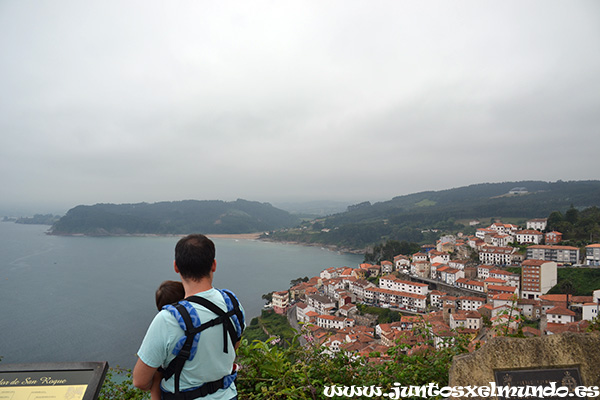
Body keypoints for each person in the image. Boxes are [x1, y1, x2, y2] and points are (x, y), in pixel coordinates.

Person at [134, 234, 245, 400]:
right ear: (214, 265)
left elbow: (140, 381)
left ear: (176, 267)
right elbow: (233, 346)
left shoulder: (168, 319)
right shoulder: (232, 303)